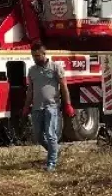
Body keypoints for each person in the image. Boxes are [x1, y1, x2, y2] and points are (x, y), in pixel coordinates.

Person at [23, 42, 76, 172]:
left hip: (51, 107)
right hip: (37, 108)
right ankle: (54, 151)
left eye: (37, 55)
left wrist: (68, 104)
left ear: (44, 54)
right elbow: (30, 90)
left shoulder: (55, 68)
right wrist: (26, 106)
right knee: (38, 136)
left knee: (51, 134)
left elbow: (64, 87)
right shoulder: (32, 70)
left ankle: (51, 163)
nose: (35, 58)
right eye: (33, 56)